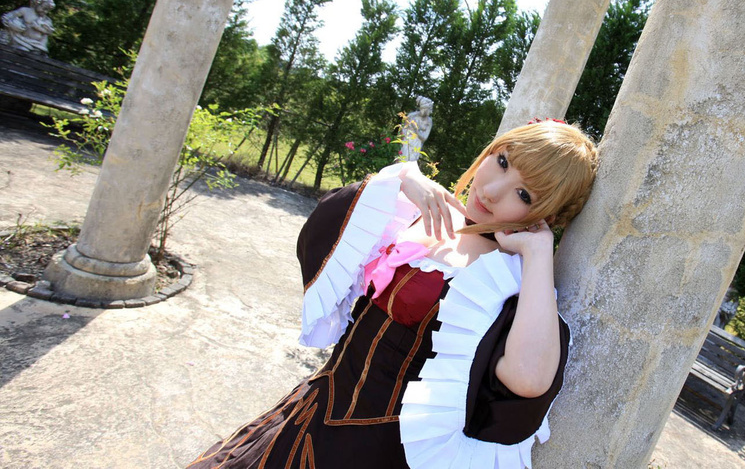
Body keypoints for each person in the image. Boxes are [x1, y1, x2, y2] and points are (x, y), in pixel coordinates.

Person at [187, 120, 599, 469]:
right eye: (503, 161)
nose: (492, 190)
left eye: (524, 195)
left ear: (545, 216)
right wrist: (402, 177)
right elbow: (320, 234)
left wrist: (538, 251)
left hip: (379, 450)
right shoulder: (425, 209)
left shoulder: (508, 279)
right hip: (313, 406)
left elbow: (528, 378)